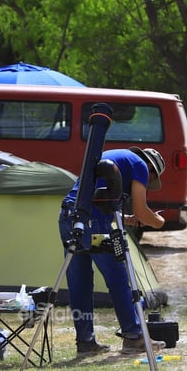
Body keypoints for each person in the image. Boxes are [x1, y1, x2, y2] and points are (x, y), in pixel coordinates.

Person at [59, 147, 166, 356]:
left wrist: (125, 220)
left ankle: (85, 342)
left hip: (69, 217)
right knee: (118, 279)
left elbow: (95, 196)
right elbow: (142, 211)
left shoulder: (118, 157)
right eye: (150, 180)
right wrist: (158, 222)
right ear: (152, 170)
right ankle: (133, 337)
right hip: (94, 222)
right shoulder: (140, 166)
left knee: (79, 282)